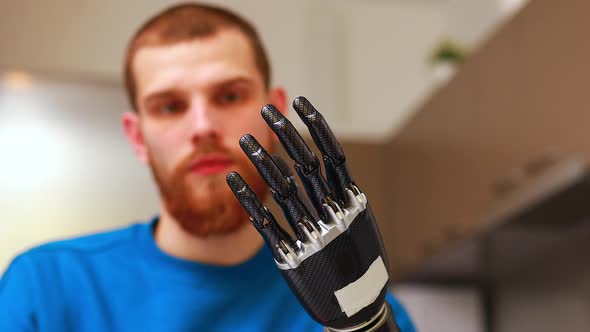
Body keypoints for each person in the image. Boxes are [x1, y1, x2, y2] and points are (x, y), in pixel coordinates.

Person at [0, 3, 415, 331]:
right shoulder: (45, 288)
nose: (202, 127)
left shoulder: (362, 307)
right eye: (170, 106)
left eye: (229, 96)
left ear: (275, 112)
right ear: (137, 136)